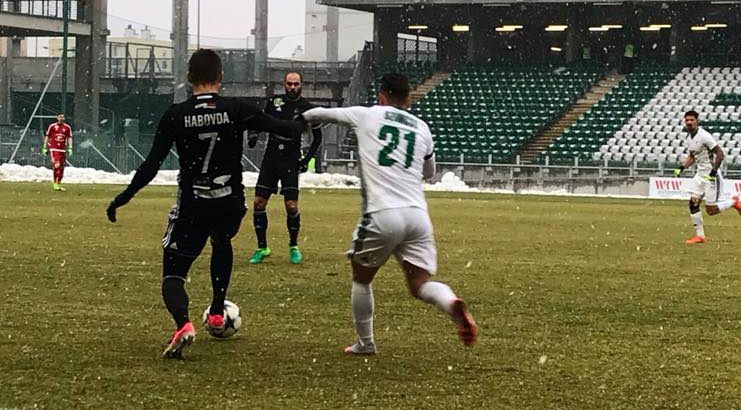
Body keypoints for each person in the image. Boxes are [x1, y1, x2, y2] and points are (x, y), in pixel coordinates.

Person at [105, 49, 304, 359]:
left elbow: (151, 165)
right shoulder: (236, 109)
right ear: (220, 77)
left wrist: (124, 196)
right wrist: (309, 119)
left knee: (173, 274)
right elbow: (284, 128)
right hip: (229, 202)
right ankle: (216, 310)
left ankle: (183, 324)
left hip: (193, 204)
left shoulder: (176, 115)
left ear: (189, 78)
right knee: (221, 241)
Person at [301, 72, 477, 355]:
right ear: (408, 99)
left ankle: (365, 343)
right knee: (419, 283)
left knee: (362, 277)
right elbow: (429, 172)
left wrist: (304, 116)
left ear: (381, 96)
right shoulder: (421, 127)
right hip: (417, 215)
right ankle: (450, 302)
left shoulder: (367, 115)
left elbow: (323, 113)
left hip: (382, 212)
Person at [247, 70, 323, 265]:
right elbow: (259, 121)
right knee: (258, 202)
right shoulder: (274, 102)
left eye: (296, 84)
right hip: (271, 159)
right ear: (284, 84)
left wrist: (306, 160)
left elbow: (318, 138)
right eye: (289, 84)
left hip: (290, 160)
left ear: (302, 85)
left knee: (291, 205)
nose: (292, 87)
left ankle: (293, 246)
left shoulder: (308, 109)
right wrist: (254, 135)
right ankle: (262, 248)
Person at [674, 109, 741, 245]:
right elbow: (693, 156)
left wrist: (713, 172)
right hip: (700, 174)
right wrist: (681, 167)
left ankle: (733, 202)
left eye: (692, 120)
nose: (689, 122)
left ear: (697, 121)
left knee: (711, 210)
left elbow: (720, 154)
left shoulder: (704, 136)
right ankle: (700, 236)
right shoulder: (689, 138)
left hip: (711, 176)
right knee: (693, 203)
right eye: (687, 120)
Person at [42, 112, 73, 190]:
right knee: (57, 164)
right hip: (54, 148)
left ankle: (58, 183)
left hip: (62, 149)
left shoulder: (67, 127)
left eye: (62, 117)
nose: (61, 118)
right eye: (60, 117)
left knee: (62, 167)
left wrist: (70, 147)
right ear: (57, 117)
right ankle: (55, 183)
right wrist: (44, 147)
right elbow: (47, 136)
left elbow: (69, 137)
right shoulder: (52, 126)